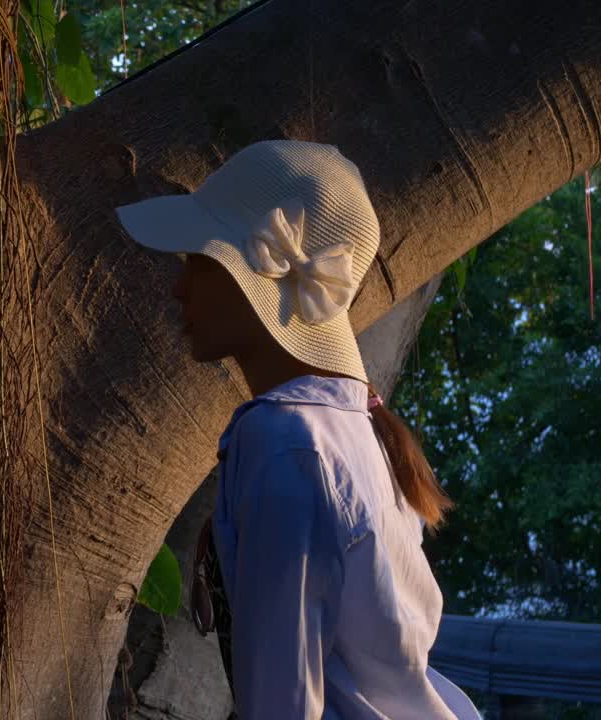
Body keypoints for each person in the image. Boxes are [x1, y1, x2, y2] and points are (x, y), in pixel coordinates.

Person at [114, 141, 482, 720]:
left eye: (199, 259)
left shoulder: (285, 440)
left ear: (254, 274)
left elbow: (282, 705)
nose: (177, 287)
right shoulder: (357, 427)